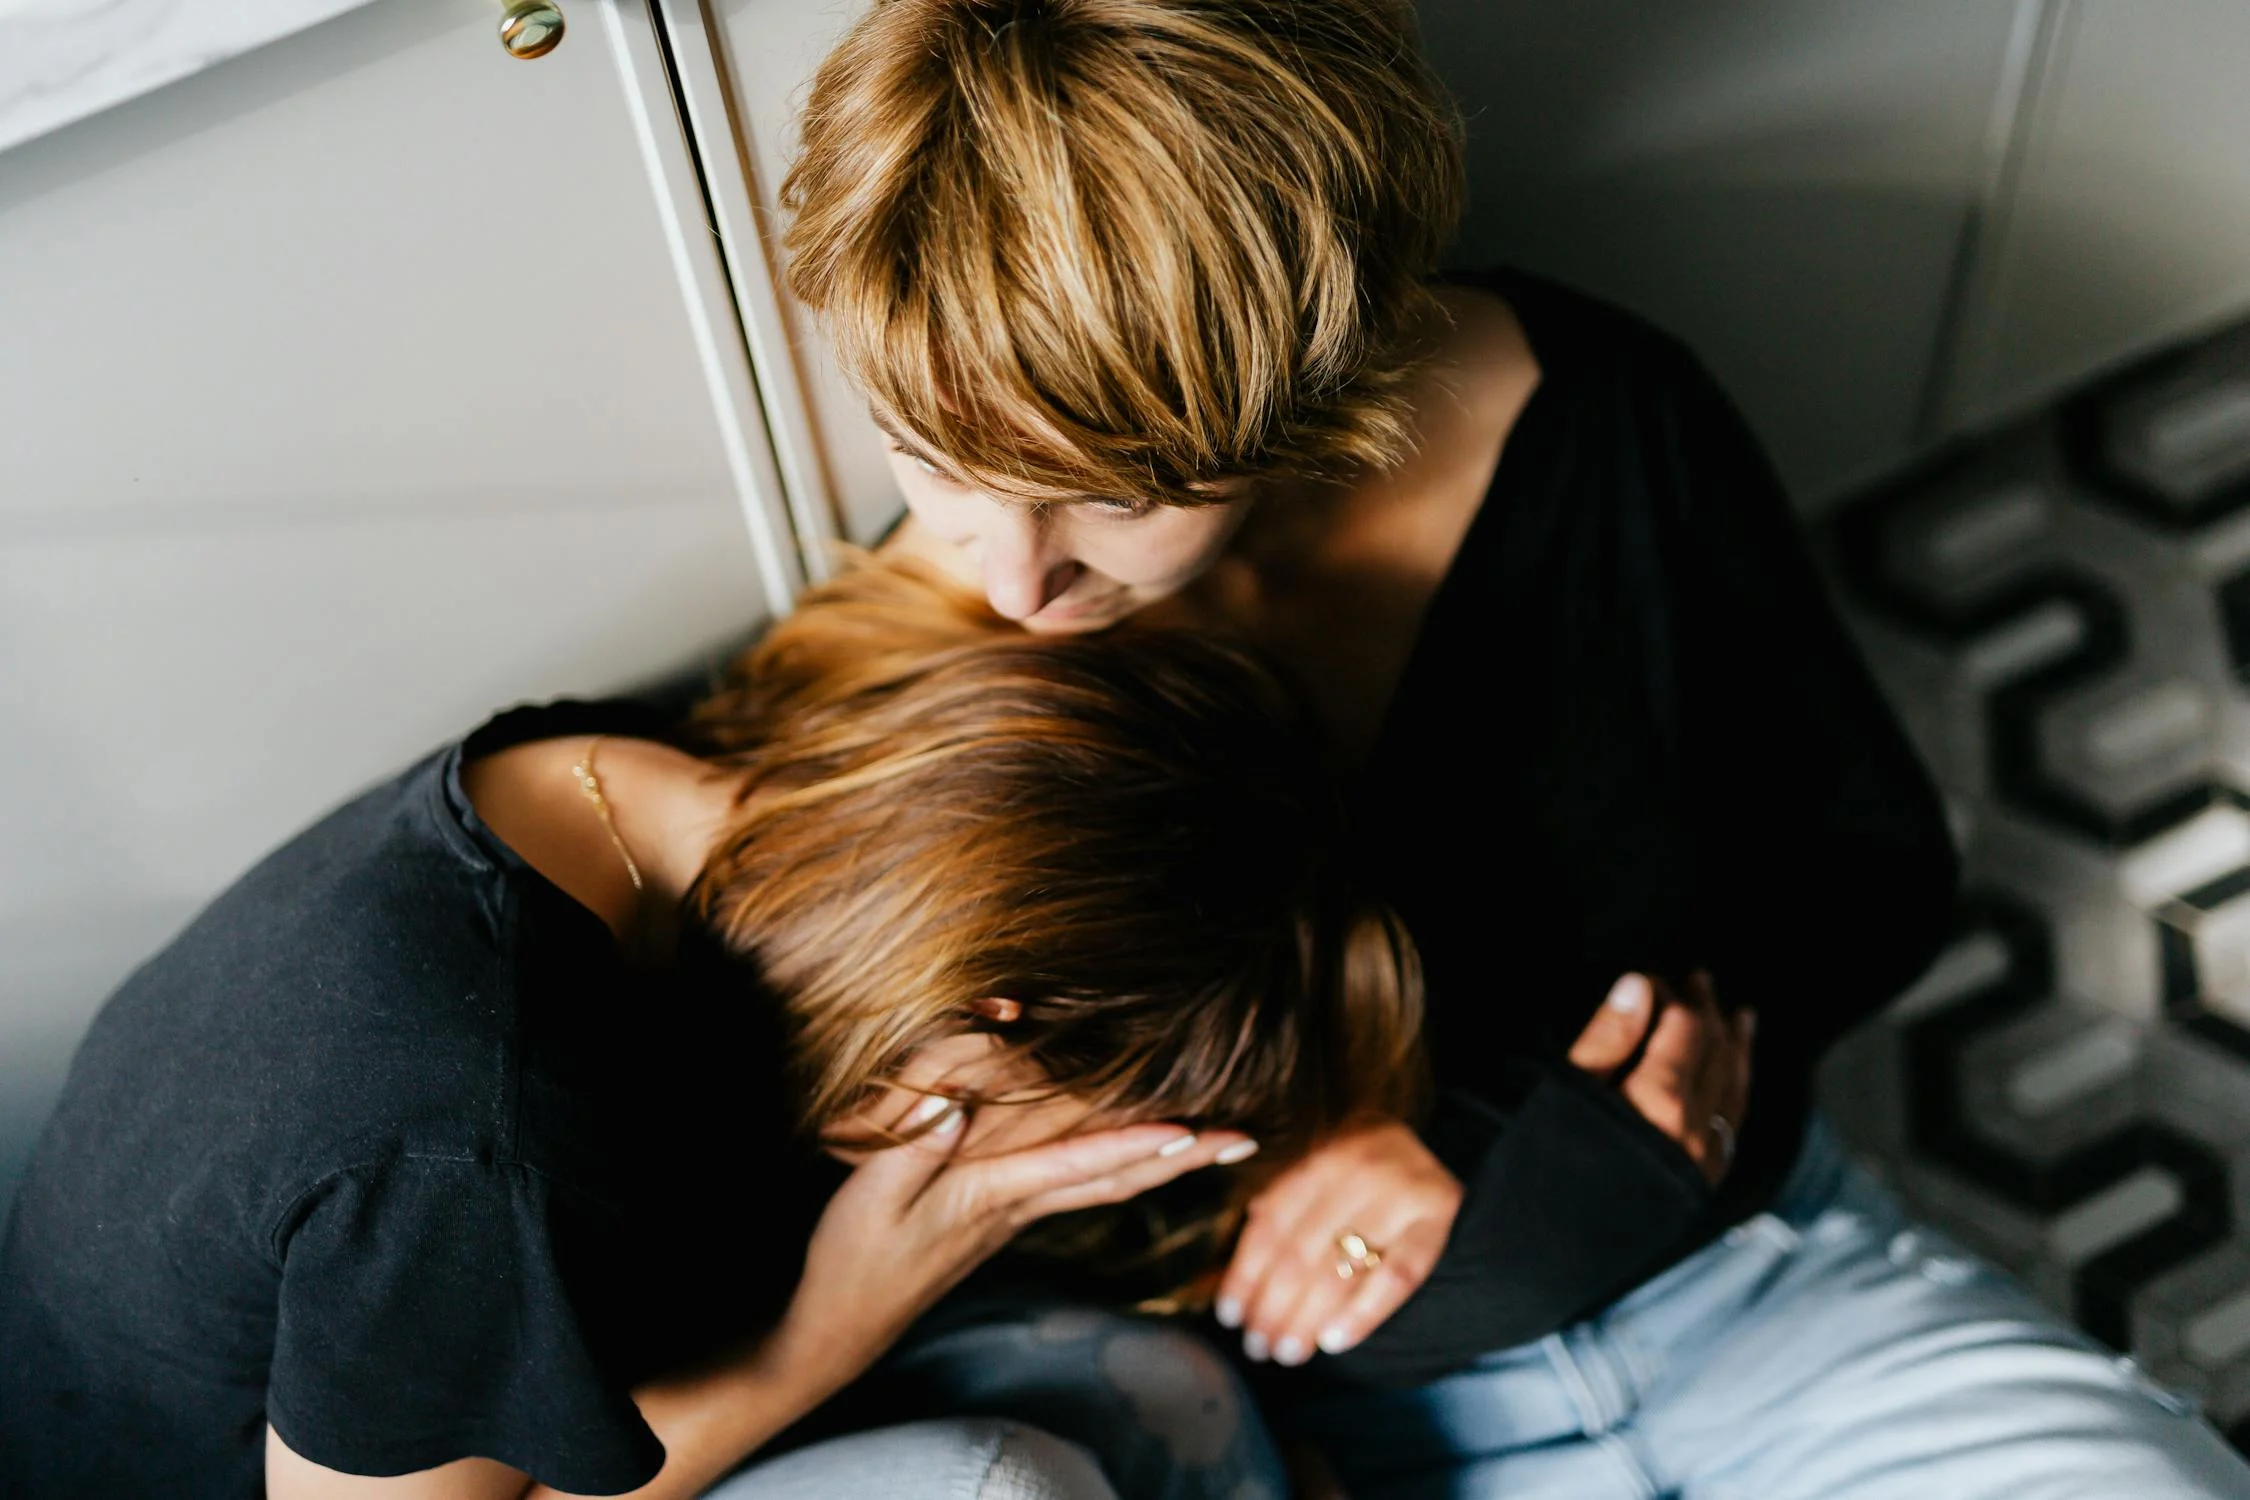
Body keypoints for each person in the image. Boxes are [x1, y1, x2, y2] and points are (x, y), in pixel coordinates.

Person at [777, 1, 2250, 1493]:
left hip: (1766, 1283)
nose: (1016, 580)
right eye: (939, 460)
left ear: (1303, 387)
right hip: (1337, 1433)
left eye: (1114, 492)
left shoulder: (1602, 415)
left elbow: (1863, 867)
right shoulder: (901, 669)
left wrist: (1511, 1132)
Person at [0, 560, 1423, 1500]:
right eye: (1008, 1117)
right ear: (986, 1006)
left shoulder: (624, 792)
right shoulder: (467, 1131)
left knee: (1168, 1389)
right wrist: (833, 1324)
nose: (965, 1154)